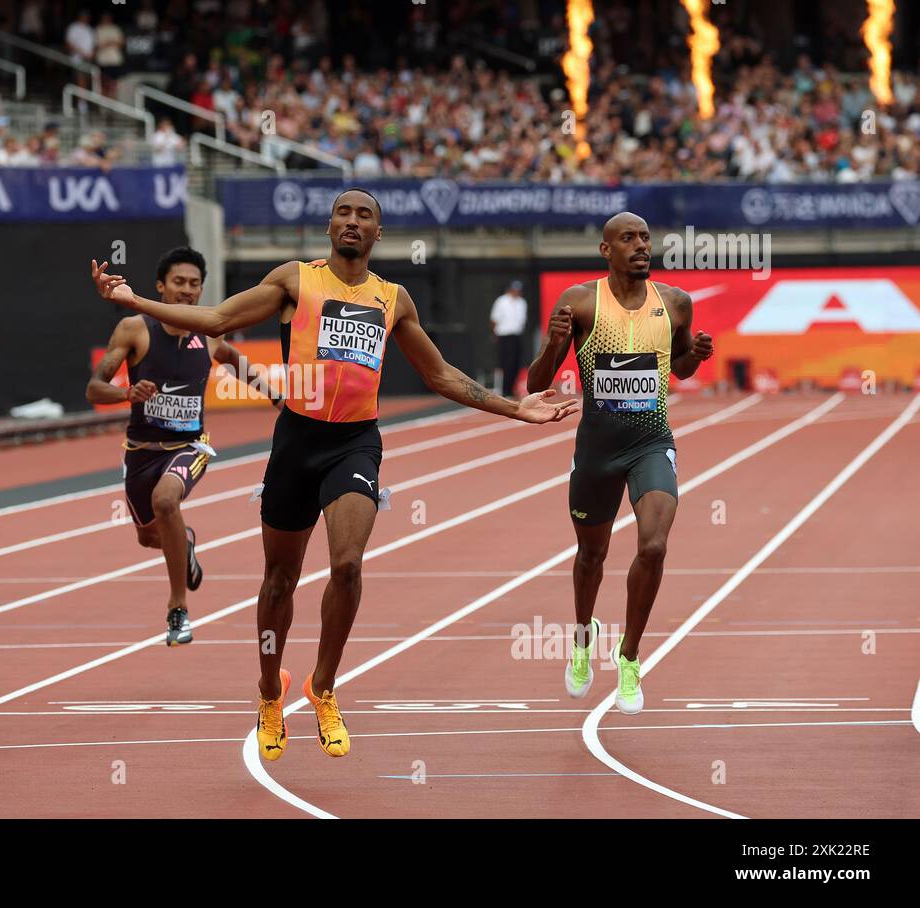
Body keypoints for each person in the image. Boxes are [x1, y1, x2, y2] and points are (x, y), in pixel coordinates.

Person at [92, 188, 578, 760]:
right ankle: (269, 691)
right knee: (280, 579)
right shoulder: (296, 280)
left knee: (347, 566)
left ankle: (322, 686)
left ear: (378, 233)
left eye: (364, 215)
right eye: (343, 213)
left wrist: (516, 406)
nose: (352, 221)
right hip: (297, 442)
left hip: (354, 443)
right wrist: (137, 302)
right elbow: (216, 316)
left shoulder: (392, 299)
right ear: (330, 226)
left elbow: (441, 375)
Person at [526, 211, 713, 714]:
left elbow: (679, 366)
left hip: (652, 442)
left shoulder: (675, 303)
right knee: (592, 555)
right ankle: (583, 638)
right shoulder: (580, 302)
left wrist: (695, 354)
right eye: (628, 239)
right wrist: (554, 346)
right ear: (606, 250)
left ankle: (629, 655)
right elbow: (534, 384)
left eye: (646, 238)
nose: (640, 246)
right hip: (597, 453)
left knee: (653, 545)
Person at [87, 246, 280, 646]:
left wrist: (275, 395)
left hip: (190, 447)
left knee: (165, 501)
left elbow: (233, 359)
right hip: (141, 451)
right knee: (148, 536)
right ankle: (185, 542)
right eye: (179, 282)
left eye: (194, 284)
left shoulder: (208, 334)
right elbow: (94, 388)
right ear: (161, 286)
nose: (187, 290)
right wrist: (127, 393)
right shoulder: (134, 329)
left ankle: (178, 609)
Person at [491, 279, 527, 395]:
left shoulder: (522, 302)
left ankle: (511, 388)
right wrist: (495, 333)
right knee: (507, 363)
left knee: (516, 363)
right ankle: (505, 390)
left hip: (517, 335)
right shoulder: (501, 301)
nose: (517, 292)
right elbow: (494, 319)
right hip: (505, 335)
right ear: (510, 289)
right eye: (515, 290)